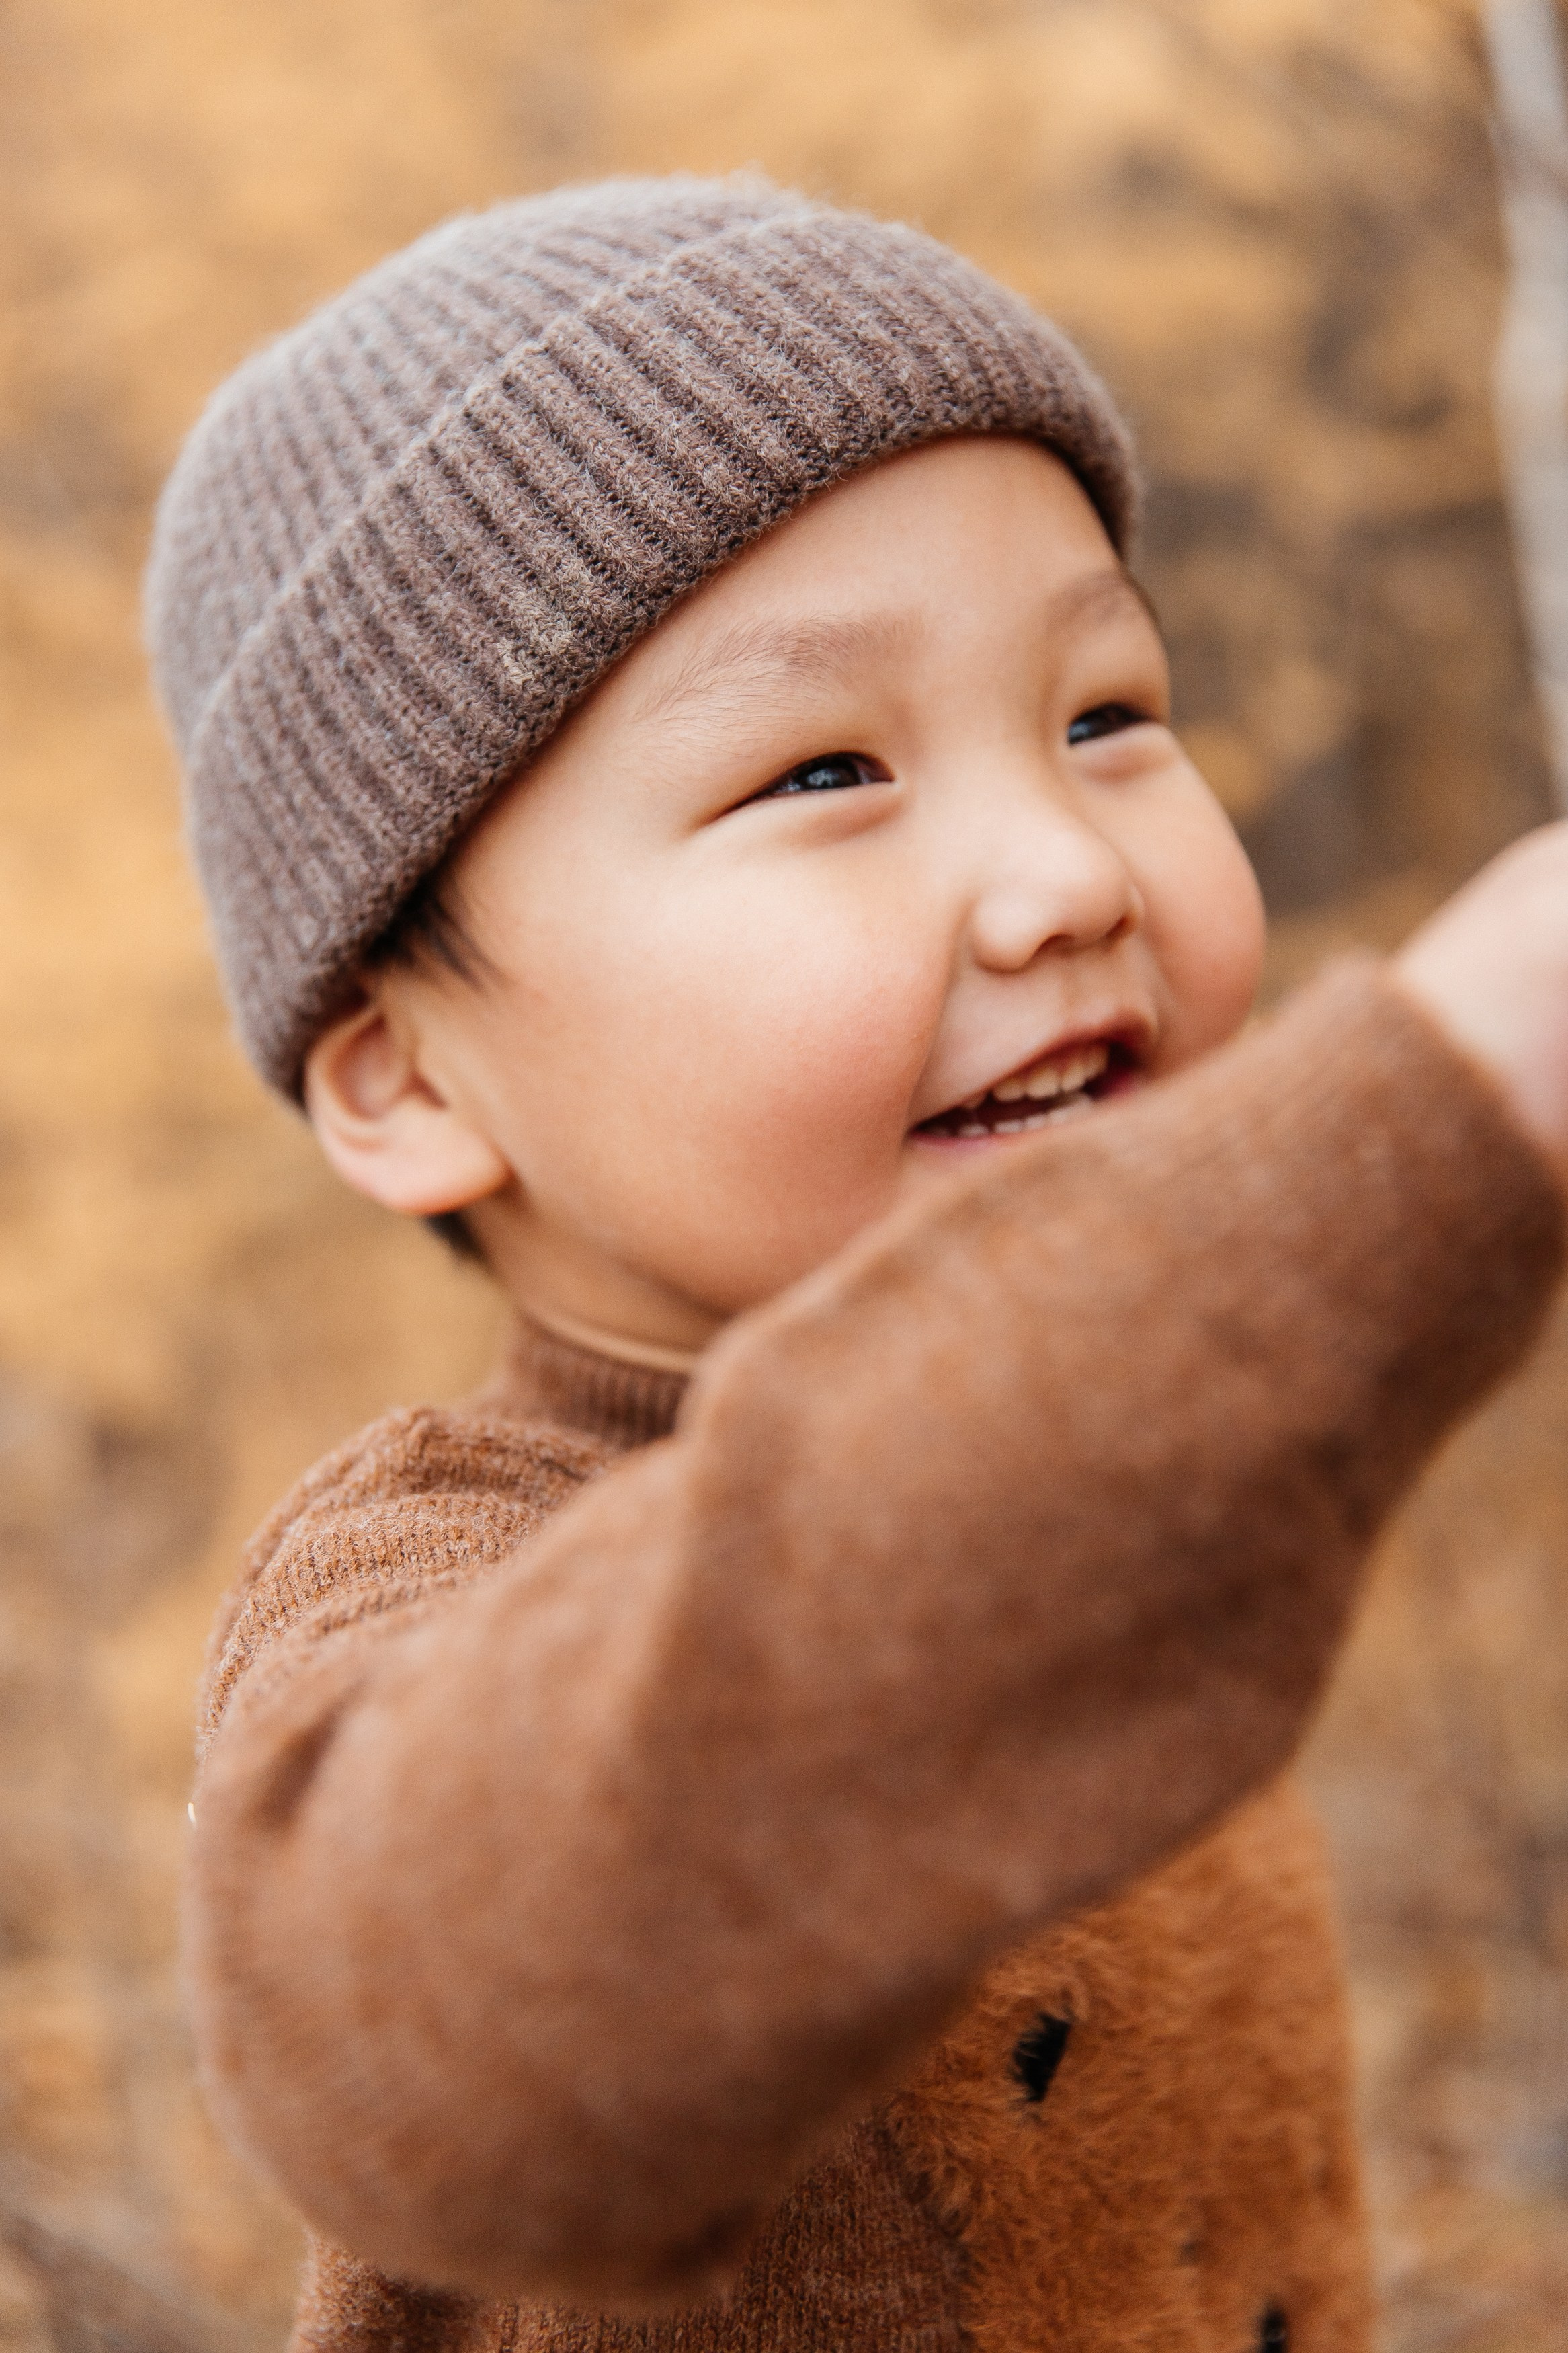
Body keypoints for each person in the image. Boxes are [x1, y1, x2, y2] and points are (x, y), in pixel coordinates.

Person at [146, 177, 1568, 2353]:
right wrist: (1441, 1103)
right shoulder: (441, 1596)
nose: (1063, 874)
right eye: (827, 766)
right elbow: (433, 2043)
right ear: (411, 1075)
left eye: (1108, 713)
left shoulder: (1117, 1502)